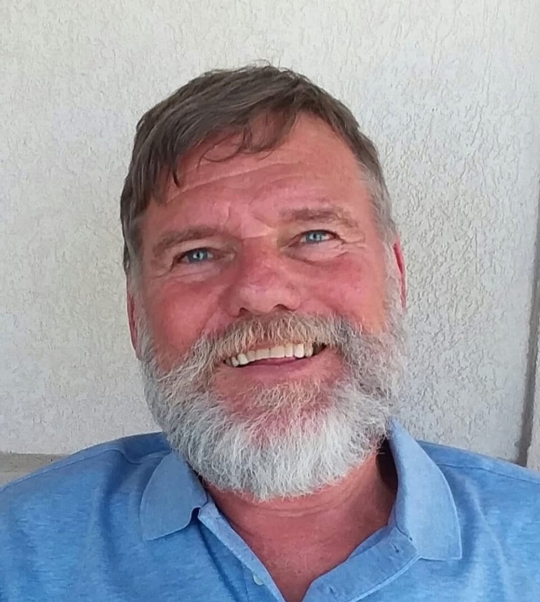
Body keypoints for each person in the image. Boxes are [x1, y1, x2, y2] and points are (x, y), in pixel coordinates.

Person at [0, 65, 538, 602]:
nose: (260, 290)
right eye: (197, 254)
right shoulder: (16, 551)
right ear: (136, 313)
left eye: (315, 235)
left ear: (395, 274)